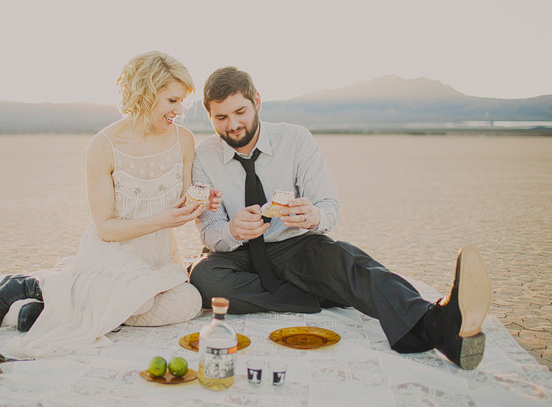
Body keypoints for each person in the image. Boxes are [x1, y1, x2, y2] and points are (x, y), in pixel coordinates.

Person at [189, 66, 492, 370]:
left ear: (257, 101)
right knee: (203, 277)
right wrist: (231, 229)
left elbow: (329, 207)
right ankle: (324, 293)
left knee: (345, 262)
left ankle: (436, 324)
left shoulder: (296, 140)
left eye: (240, 111)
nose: (234, 124)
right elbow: (209, 230)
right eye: (221, 118)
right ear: (209, 116)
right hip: (236, 255)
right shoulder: (204, 157)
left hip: (293, 246)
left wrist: (313, 215)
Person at [0, 51, 220, 357]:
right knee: (139, 298)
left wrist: (202, 201)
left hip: (159, 257)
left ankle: (56, 308)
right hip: (113, 254)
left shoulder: (183, 139)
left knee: (187, 302)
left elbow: (182, 205)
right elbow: (106, 228)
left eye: (182, 100)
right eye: (172, 100)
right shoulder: (103, 146)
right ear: (146, 94)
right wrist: (162, 220)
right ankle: (30, 287)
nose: (180, 109)